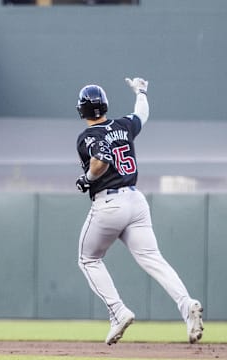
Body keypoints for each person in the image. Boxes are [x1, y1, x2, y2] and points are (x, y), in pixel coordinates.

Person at [75, 78, 204, 345]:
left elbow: (100, 160)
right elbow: (142, 113)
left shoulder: (88, 135)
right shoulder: (123, 125)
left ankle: (118, 311)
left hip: (109, 203)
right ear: (105, 105)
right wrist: (141, 91)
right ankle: (186, 304)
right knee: (153, 260)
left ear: (82, 110)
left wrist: (87, 178)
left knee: (88, 259)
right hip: (136, 201)